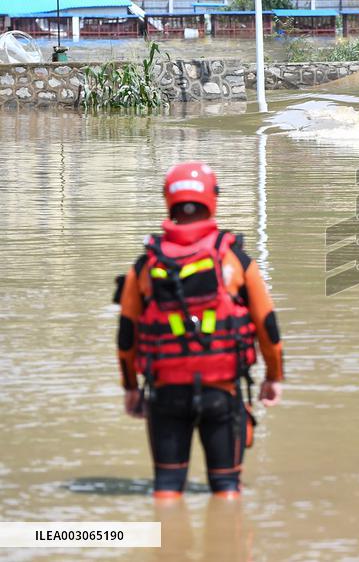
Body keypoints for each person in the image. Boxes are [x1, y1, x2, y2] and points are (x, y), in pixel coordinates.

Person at [115, 161, 284, 500]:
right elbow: (268, 325)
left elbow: (126, 336)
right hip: (222, 393)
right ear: (213, 198)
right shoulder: (235, 258)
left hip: (165, 394)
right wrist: (273, 376)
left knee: (165, 491)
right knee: (227, 490)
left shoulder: (147, 263)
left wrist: (131, 388)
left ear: (169, 199)